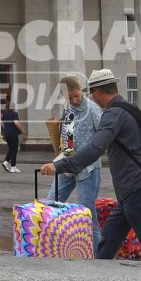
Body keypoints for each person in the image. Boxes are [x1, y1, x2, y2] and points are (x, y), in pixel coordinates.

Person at [39, 69, 141, 263]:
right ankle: (97, 274)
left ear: (98, 91)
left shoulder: (112, 113)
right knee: (108, 241)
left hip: (137, 191)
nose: (89, 97)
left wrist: (60, 166)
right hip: (129, 193)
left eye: (89, 93)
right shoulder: (126, 108)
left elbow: (96, 147)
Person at [53, 73, 102, 209]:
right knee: (51, 203)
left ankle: (93, 231)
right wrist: (63, 150)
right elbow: (68, 136)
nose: (75, 100)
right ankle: (54, 229)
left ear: (81, 90)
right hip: (68, 163)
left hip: (89, 168)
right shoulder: (69, 109)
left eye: (76, 95)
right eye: (70, 98)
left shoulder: (93, 110)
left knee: (87, 213)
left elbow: (105, 135)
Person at [0, 104, 22, 172]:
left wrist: (6, 129)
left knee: (11, 149)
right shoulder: (14, 113)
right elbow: (16, 123)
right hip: (13, 134)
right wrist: (22, 130)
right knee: (14, 150)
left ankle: (6, 162)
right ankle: (13, 167)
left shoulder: (5, 114)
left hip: (7, 134)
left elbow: (1, 122)